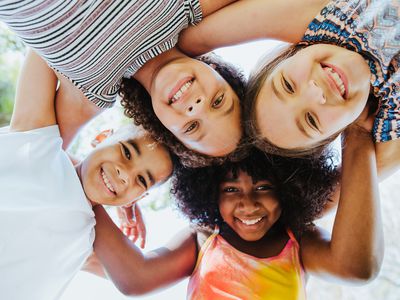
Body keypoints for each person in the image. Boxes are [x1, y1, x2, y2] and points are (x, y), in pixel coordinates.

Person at [92, 128, 382, 299]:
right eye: (230, 190)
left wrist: (356, 133)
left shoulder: (299, 241)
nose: (248, 204)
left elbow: (356, 266)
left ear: (287, 189)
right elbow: (136, 277)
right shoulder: (204, 240)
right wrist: (97, 198)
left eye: (264, 187)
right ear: (211, 193)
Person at [0, 49, 173, 300]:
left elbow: (133, 275)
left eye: (142, 180)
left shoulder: (88, 237)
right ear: (100, 138)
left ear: (137, 198)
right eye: (126, 151)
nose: (126, 175)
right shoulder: (40, 145)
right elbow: (38, 43)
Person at [0, 0, 246, 165]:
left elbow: (31, 158)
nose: (198, 107)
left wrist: (101, 197)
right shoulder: (187, 6)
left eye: (192, 127)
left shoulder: (91, 94)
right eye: (218, 101)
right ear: (218, 72)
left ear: (164, 128)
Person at [178, 0, 400, 177]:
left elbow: (191, 40)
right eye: (311, 120)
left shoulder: (330, 21)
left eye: (287, 85)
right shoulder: (393, 109)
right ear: (339, 132)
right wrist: (359, 137)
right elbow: (366, 176)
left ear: (290, 54)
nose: (315, 92)